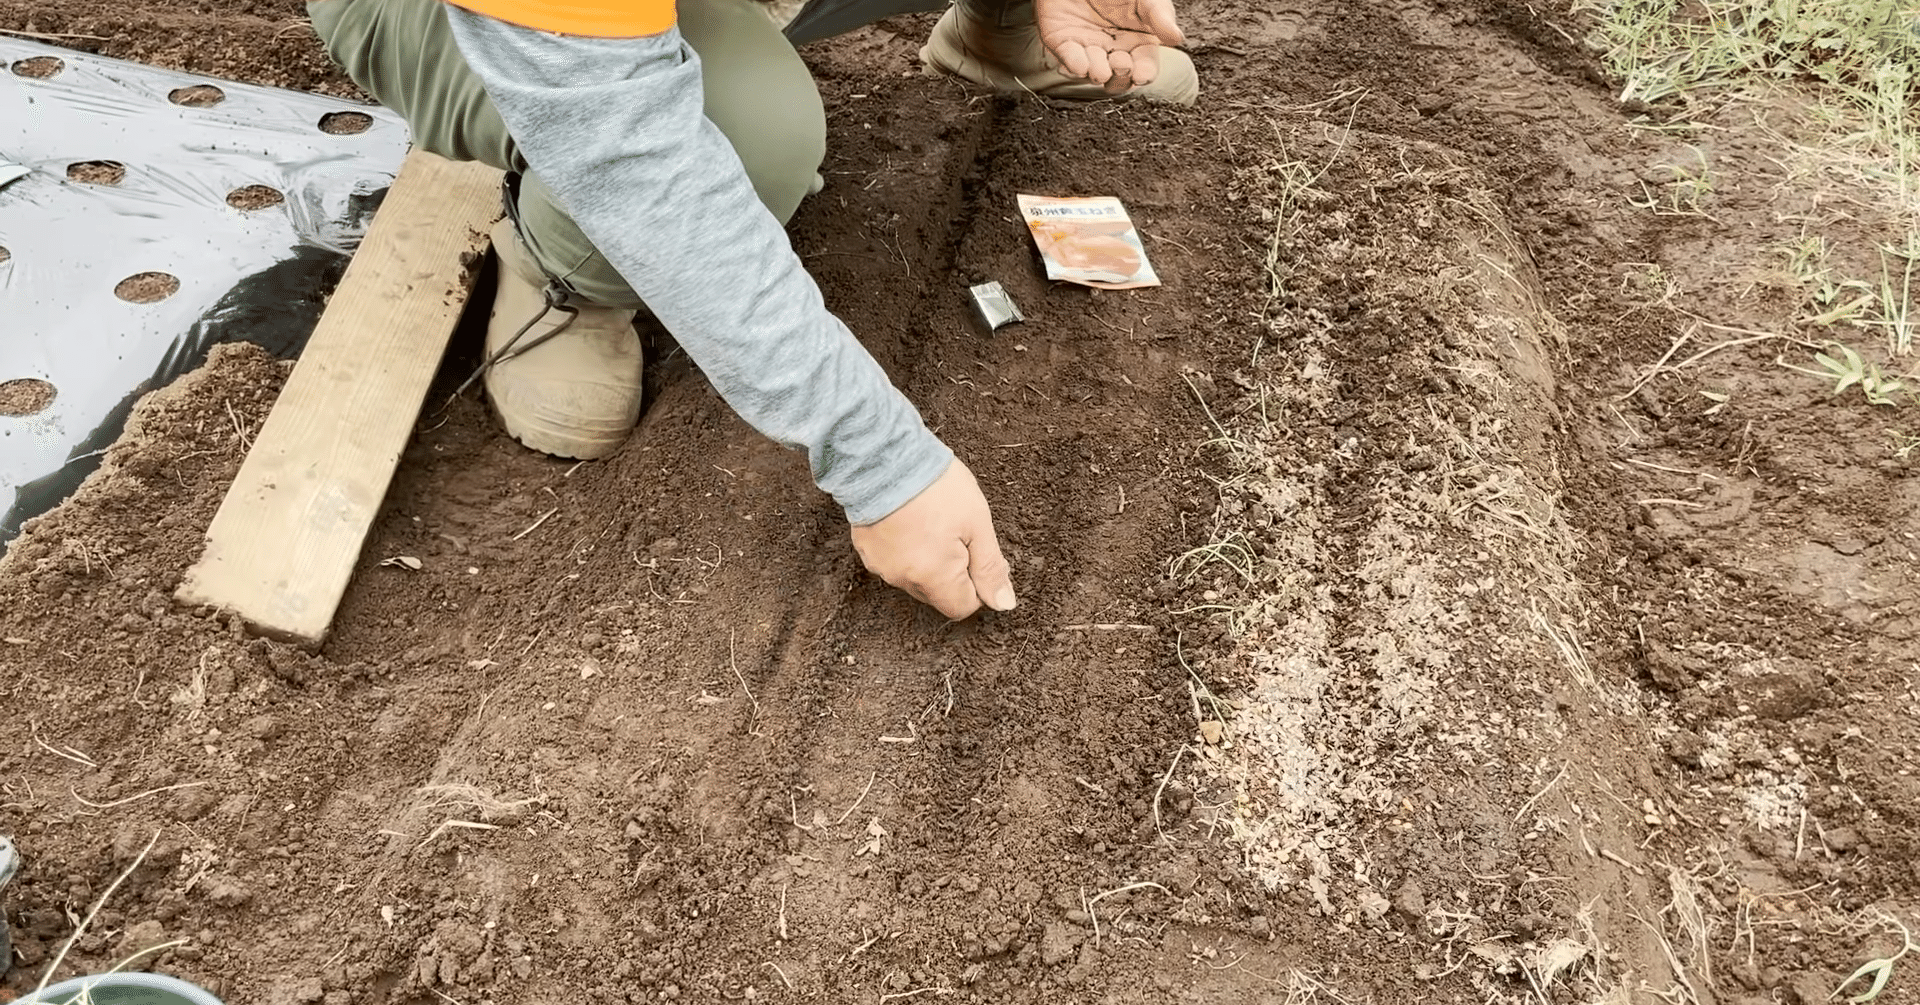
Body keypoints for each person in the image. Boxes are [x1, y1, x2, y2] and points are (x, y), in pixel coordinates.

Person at [305, 0, 1195, 620]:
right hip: (508, 27)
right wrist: (881, 461)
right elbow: (631, 150)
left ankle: (996, 28)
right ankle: (569, 268)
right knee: (748, 132)